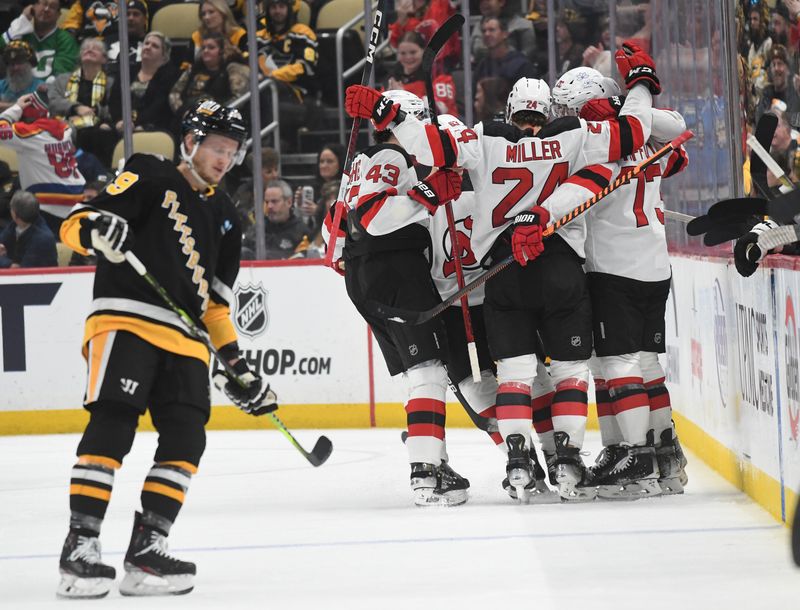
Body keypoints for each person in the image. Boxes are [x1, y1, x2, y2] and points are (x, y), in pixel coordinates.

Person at [344, 40, 657, 502]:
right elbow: (633, 133)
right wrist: (642, 86)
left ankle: (518, 463)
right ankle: (561, 460)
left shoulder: (477, 145)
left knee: (502, 377)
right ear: (547, 111)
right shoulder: (572, 135)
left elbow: (425, 154)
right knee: (560, 374)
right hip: (531, 275)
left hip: (483, 286)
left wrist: (393, 117)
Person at [55, 99, 278, 599]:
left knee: (186, 440)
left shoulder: (226, 218)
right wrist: (96, 232)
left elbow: (216, 310)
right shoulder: (148, 173)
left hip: (187, 342)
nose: (224, 159)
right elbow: (78, 221)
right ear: (192, 142)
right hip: (126, 320)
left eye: (232, 151)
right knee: (113, 423)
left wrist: (238, 366)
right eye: (217, 147)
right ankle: (80, 548)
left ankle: (148, 550)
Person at [553, 66, 690, 499]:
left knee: (617, 365)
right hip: (654, 266)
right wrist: (641, 85)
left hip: (612, 268)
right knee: (646, 364)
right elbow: (678, 130)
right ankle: (663, 452)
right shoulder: (645, 134)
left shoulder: (593, 142)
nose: (563, 114)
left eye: (569, 107)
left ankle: (637, 458)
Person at [331, 89, 469, 506]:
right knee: (427, 369)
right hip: (394, 271)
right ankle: (425, 473)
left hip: (368, 276)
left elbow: (332, 239)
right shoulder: (392, 158)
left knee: (420, 370)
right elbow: (374, 218)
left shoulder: (358, 164)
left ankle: (433, 460)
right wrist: (429, 193)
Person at [0, 90, 85, 235]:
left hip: (49, 201)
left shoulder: (28, 134)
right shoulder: (65, 129)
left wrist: (16, 108)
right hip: (76, 198)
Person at [256, 0, 318, 149]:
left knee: (265, 90)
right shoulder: (258, 36)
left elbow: (305, 66)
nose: (277, 11)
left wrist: (272, 77)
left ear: (289, 9)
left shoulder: (303, 32)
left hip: (295, 92)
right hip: (262, 87)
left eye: (281, 6)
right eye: (273, 7)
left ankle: (270, 143)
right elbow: (247, 63)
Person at [49, 37, 117, 168]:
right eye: (85, 48)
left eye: (95, 48)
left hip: (97, 128)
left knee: (100, 134)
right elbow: (52, 101)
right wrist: (75, 108)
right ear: (80, 56)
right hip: (65, 124)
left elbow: (116, 107)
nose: (89, 49)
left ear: (104, 59)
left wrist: (96, 112)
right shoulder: (62, 80)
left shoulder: (112, 83)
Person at [168, 32, 249, 130]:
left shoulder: (234, 69)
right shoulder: (193, 69)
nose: (206, 51)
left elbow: (238, 99)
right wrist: (184, 112)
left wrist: (212, 115)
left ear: (222, 51)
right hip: (186, 119)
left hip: (218, 124)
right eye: (203, 48)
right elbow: (174, 93)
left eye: (211, 48)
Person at [109, 31, 180, 134]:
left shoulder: (170, 75)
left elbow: (159, 106)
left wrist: (135, 123)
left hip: (152, 124)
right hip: (121, 123)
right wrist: (119, 120)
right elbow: (114, 100)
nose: (148, 47)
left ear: (164, 56)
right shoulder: (127, 70)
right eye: (146, 43)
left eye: (155, 46)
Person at [0, 0, 80, 81]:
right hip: (14, 87)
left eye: (52, 7)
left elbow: (62, 74)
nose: (46, 9)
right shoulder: (20, 32)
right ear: (33, 7)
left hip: (47, 90)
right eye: (43, 4)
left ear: (58, 15)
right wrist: (21, 21)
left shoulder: (66, 40)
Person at [386, 31, 458, 116]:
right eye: (403, 53)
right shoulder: (393, 78)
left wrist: (403, 96)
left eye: (413, 52)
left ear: (423, 51)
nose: (408, 57)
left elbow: (440, 110)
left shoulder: (439, 75)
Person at [0, 190, 57, 268]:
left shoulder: (43, 239)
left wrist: (3, 260)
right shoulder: (15, 225)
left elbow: (21, 272)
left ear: (15, 215)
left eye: (11, 208)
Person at [474, 16, 538, 85]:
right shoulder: (482, 66)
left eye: (492, 30)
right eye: (484, 31)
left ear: (505, 34)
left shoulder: (521, 65)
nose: (486, 34)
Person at [256, 178, 310, 259]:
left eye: (274, 201)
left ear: (289, 202)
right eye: (267, 202)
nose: (269, 206)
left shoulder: (302, 232)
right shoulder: (257, 229)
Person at [470, 0, 535, 65]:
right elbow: (476, 50)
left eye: (488, 0)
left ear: (501, 2)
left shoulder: (523, 25)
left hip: (516, 70)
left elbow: (528, 54)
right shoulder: (479, 25)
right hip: (486, 70)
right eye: (481, 1)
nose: (483, 4)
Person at [0, 40, 45, 111]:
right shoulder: (2, 85)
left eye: (19, 62)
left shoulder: (40, 87)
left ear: (30, 64)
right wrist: (19, 105)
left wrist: (4, 106)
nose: (15, 68)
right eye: (11, 63)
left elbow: (33, 109)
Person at [107, 0, 151, 68]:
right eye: (127, 14)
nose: (131, 18)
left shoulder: (151, 44)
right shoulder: (108, 42)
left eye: (136, 14)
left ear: (145, 20)